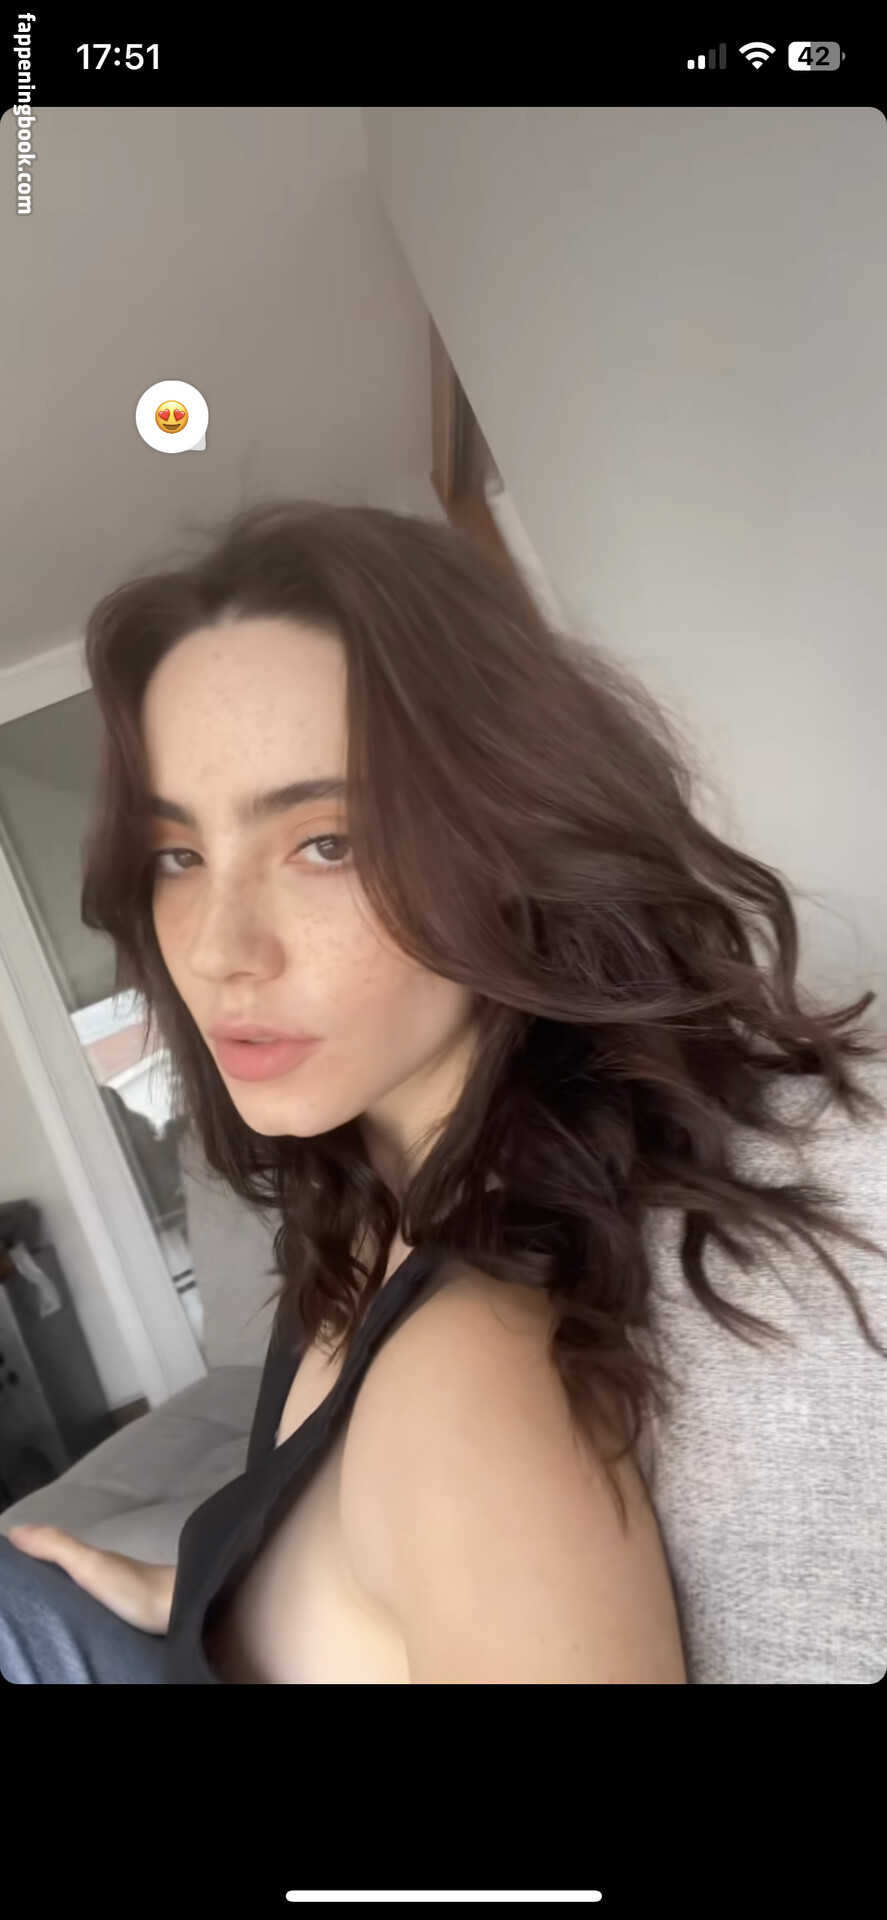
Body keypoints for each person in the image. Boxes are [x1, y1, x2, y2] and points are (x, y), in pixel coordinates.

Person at [4, 499, 886, 1683]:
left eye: (326, 842)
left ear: (507, 836)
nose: (216, 948)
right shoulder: (359, 1216)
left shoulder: (463, 1380)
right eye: (179, 855)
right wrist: (192, 1599)